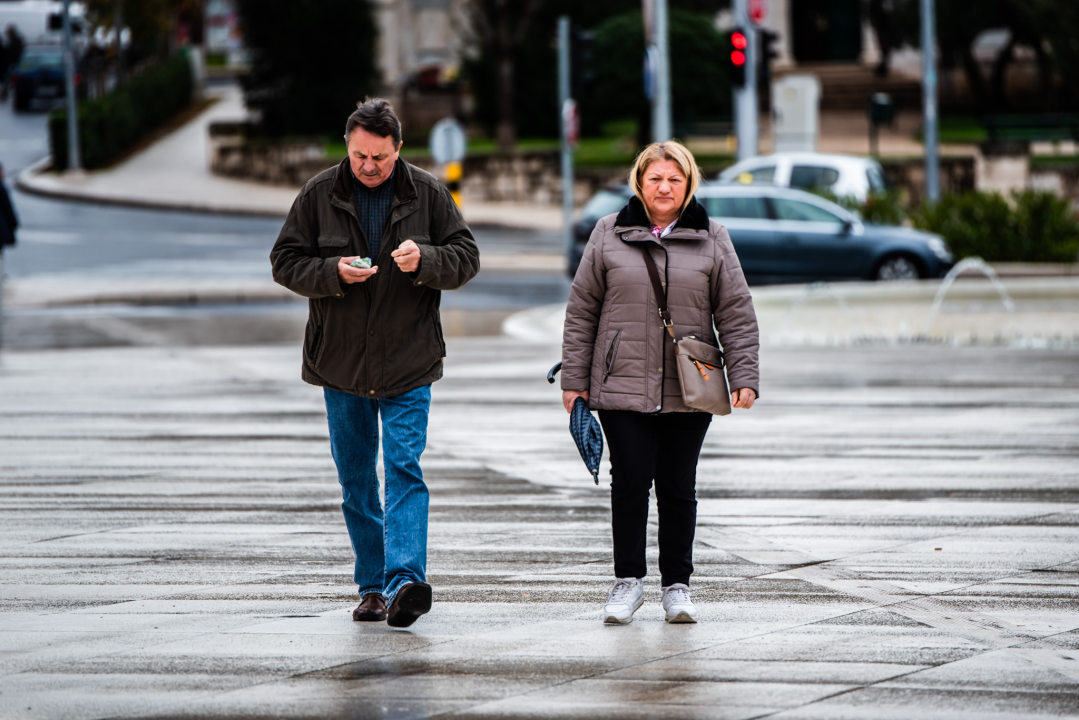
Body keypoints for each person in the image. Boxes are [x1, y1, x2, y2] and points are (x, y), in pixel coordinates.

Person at [270, 98, 480, 627]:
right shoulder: (318, 194)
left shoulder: (429, 193)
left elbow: (467, 258)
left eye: (381, 158)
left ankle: (405, 581)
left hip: (409, 360)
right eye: (362, 155)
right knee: (358, 480)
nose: (369, 166)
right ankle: (372, 586)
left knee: (404, 469)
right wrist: (331, 272)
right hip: (340, 365)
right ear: (348, 144)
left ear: (399, 149)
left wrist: (426, 261)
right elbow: (284, 262)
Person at [560, 141, 759, 625]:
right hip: (619, 384)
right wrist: (574, 379)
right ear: (639, 183)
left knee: (677, 486)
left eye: (674, 179)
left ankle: (677, 586)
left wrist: (745, 375)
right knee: (628, 481)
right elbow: (582, 309)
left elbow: (735, 310)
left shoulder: (713, 237)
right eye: (655, 179)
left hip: (691, 387)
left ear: (688, 184)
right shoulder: (608, 233)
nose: (664, 187)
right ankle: (627, 583)